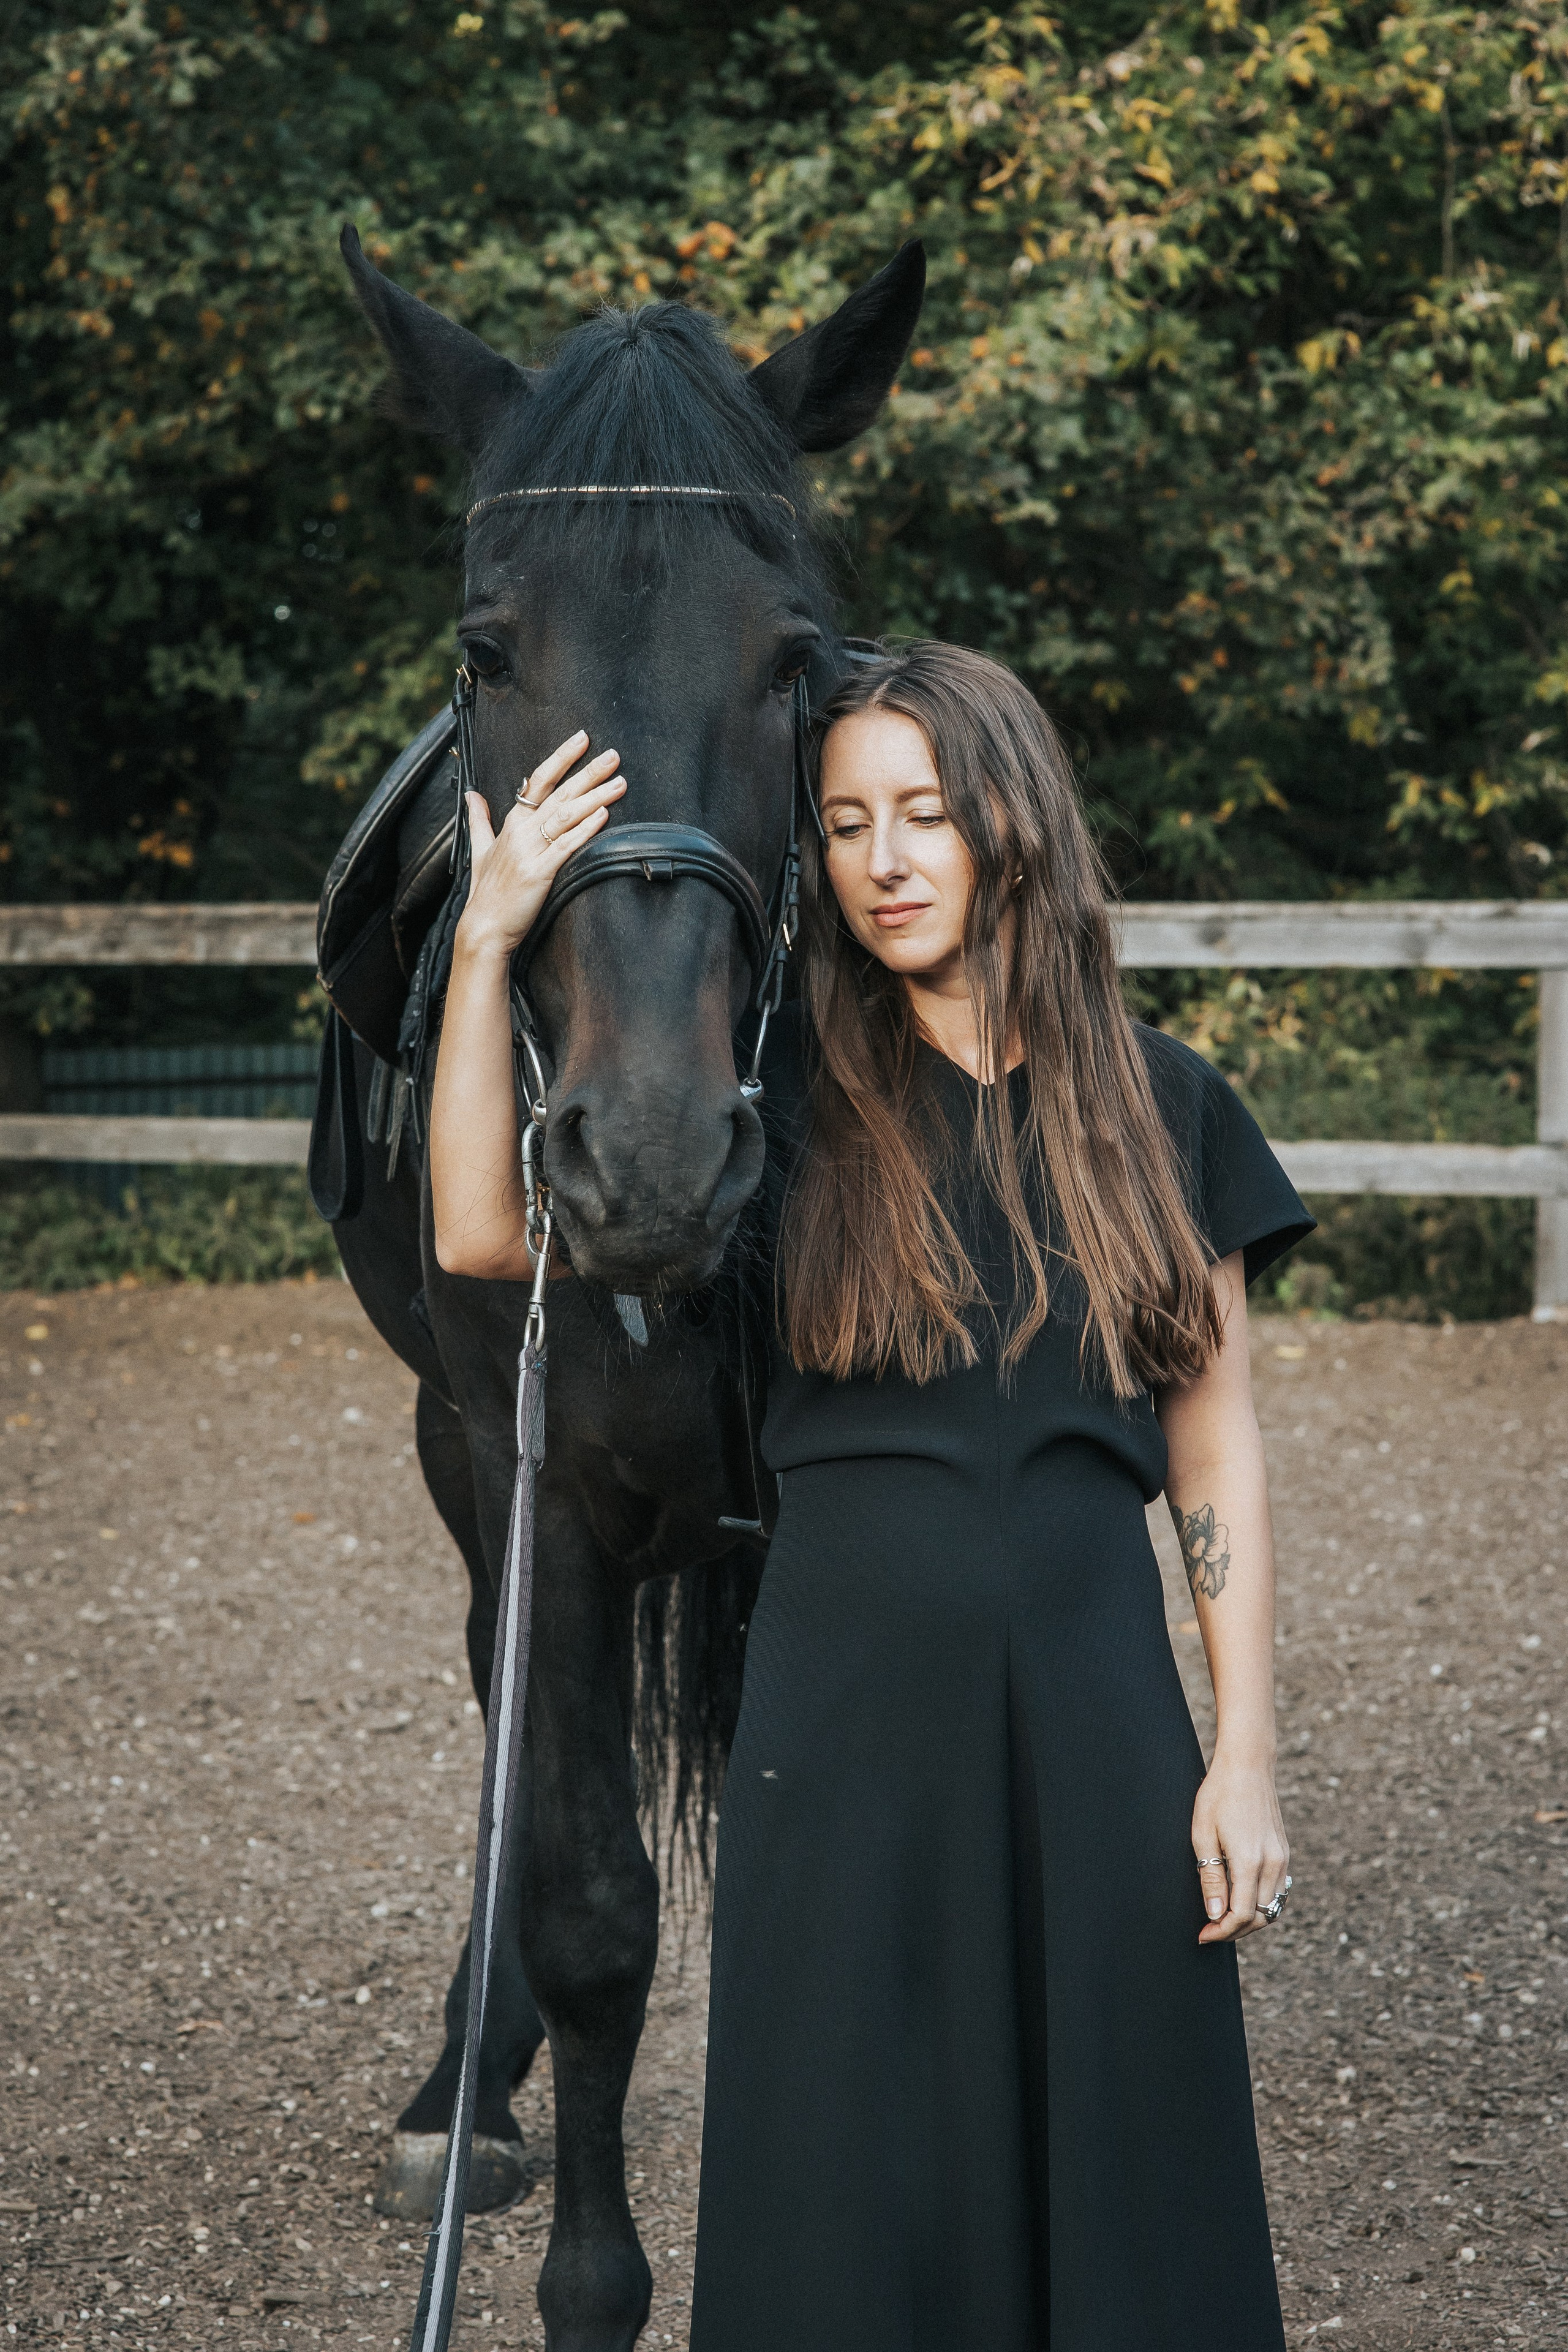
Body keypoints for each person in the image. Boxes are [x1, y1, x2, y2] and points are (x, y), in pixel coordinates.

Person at [431, 640, 1311, 2351]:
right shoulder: (786, 1125)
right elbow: (482, 1231)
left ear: (1016, 826)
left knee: (1127, 2166)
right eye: (843, 823)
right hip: (834, 1730)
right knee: (848, 2183)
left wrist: (1247, 1753)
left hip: (1101, 1713)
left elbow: (1215, 1446)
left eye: (924, 812)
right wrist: (485, 939)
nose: (884, 859)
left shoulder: (1163, 1103)